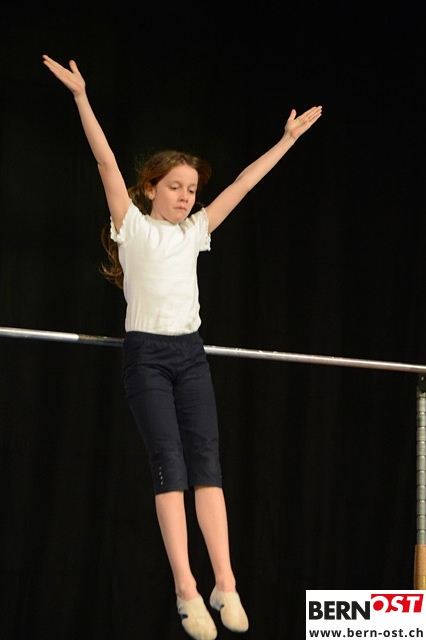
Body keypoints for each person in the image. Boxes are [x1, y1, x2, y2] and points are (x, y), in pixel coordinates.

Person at [42, 53, 322, 640]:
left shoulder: (197, 231)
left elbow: (245, 183)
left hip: (191, 356)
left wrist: (287, 140)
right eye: (175, 187)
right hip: (146, 357)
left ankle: (226, 583)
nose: (186, 197)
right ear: (150, 188)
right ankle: (186, 589)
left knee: (208, 466)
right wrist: (81, 97)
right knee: (169, 466)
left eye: (192, 189)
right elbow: (105, 160)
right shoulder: (132, 225)